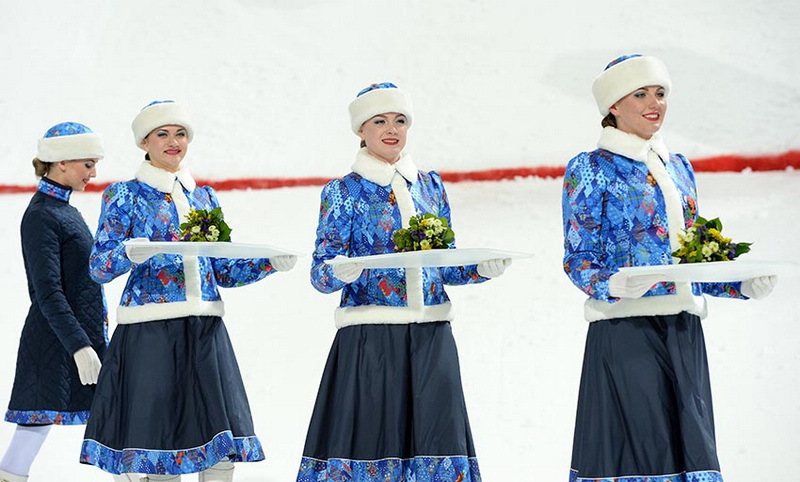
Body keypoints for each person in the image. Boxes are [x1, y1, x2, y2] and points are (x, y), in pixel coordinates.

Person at [561, 54, 778, 482]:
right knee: (640, 451)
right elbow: (577, 258)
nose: (653, 102)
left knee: (691, 449)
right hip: (626, 331)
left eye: (659, 93)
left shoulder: (678, 168)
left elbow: (693, 255)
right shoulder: (589, 169)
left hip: (682, 329)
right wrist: (614, 284)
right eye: (639, 94)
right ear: (613, 106)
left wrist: (739, 284)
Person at [296, 83, 511, 482]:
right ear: (361, 129)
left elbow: (443, 263)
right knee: (372, 446)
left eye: (399, 120)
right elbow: (321, 273)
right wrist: (340, 271)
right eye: (379, 121)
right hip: (370, 339)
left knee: (437, 443)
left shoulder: (430, 185)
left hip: (432, 334)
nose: (391, 129)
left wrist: (479, 269)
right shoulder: (342, 192)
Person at [78, 101, 297, 482]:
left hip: (205, 332)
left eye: (180, 133)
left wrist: (267, 263)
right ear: (143, 142)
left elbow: (222, 268)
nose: (173, 141)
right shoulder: (124, 195)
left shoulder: (204, 197)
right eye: (162, 133)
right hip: (150, 333)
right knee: (162, 446)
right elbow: (99, 267)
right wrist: (129, 253)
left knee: (218, 445)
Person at [0, 122, 107, 482]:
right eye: (88, 163)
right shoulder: (42, 215)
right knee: (37, 424)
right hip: (57, 341)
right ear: (61, 162)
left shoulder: (65, 211)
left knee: (106, 420)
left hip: (74, 336)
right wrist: (79, 346)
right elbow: (46, 291)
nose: (94, 172)